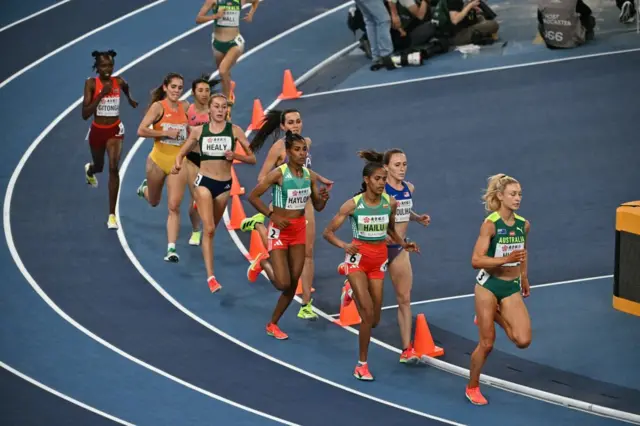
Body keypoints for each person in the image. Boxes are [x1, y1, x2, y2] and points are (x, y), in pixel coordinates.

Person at [323, 155, 419, 381]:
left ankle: (348, 290)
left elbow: (391, 230)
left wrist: (404, 244)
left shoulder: (390, 203)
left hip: (379, 262)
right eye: (377, 179)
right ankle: (362, 364)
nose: (381, 182)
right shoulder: (353, 205)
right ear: (366, 180)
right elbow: (327, 232)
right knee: (366, 314)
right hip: (357, 261)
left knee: (374, 320)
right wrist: (345, 246)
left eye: (384, 179)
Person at [241, 109, 333, 321]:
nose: (295, 125)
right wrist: (283, 181)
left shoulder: (305, 143)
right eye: (290, 122)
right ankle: (261, 243)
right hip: (283, 204)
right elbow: (262, 176)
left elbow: (305, 171)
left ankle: (306, 303)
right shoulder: (278, 148)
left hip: (305, 201)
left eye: (298, 121)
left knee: (308, 253)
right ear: (283, 126)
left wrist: (320, 179)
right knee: (286, 262)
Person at [346, 149, 431, 364]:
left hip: (399, 250)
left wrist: (417, 218)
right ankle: (351, 286)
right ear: (386, 168)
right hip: (376, 252)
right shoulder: (379, 193)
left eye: (404, 164)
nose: (402, 169)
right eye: (397, 165)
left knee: (404, 298)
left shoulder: (408, 188)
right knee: (373, 314)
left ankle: (406, 349)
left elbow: (403, 211)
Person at [172, 93, 255, 292]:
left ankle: (199, 208)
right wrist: (176, 163)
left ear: (227, 110)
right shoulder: (200, 131)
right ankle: (211, 277)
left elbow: (252, 159)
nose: (220, 110)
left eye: (223, 107)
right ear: (209, 109)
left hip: (224, 185)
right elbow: (182, 152)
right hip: (204, 182)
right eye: (216, 106)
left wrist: (235, 155)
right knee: (208, 229)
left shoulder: (234, 131)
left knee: (212, 230)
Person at [467, 173, 531, 405]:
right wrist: (505, 260)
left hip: (511, 286)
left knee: (522, 340)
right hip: (488, 286)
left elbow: (523, 253)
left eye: (520, 194)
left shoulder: (524, 224)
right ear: (501, 196)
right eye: (513, 194)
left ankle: (492, 314)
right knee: (487, 344)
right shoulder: (491, 225)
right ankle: (472, 386)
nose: (517, 198)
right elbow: (476, 260)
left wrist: (524, 277)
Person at [136, 73, 190, 263]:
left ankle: (171, 249)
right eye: (173, 87)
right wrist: (165, 132)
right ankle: (145, 190)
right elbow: (141, 130)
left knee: (174, 206)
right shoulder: (158, 107)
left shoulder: (186, 107)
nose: (176, 91)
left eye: (180, 87)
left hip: (177, 163)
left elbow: (192, 133)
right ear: (165, 88)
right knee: (153, 201)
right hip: (158, 160)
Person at [82, 50, 138, 229]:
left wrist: (130, 99)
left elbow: (126, 86)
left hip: (115, 130)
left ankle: (112, 215)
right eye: (104, 66)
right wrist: (101, 94)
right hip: (98, 131)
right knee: (100, 167)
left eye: (110, 66)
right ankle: (90, 170)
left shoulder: (118, 81)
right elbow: (85, 114)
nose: (108, 69)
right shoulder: (91, 84)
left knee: (114, 168)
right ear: (97, 67)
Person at [195, 0, 260, 116]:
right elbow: (198, 19)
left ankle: (226, 103)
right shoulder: (213, 1)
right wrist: (215, 16)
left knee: (222, 70)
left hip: (234, 42)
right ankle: (229, 89)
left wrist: (251, 14)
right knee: (224, 73)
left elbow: (255, 1)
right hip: (217, 44)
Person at [184, 75, 216, 246]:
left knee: (210, 198)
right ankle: (196, 230)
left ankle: (208, 226)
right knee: (195, 198)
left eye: (207, 90)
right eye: (200, 90)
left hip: (211, 161)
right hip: (193, 159)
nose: (204, 94)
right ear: (193, 93)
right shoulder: (187, 111)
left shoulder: (216, 111)